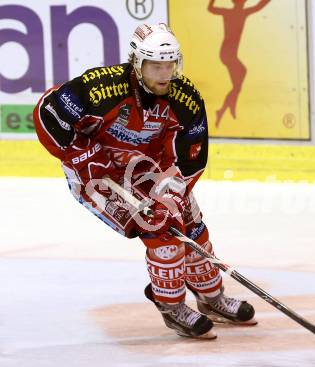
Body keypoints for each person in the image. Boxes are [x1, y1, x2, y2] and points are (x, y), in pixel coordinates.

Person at [33, 23, 257, 340]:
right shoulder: (101, 87)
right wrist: (83, 155)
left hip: (150, 171)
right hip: (99, 177)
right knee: (161, 230)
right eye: (156, 65)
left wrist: (174, 192)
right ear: (138, 62)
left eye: (170, 64)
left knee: (191, 226)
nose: (165, 73)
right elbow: (47, 111)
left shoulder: (186, 98)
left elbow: (192, 158)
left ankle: (211, 298)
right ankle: (171, 307)